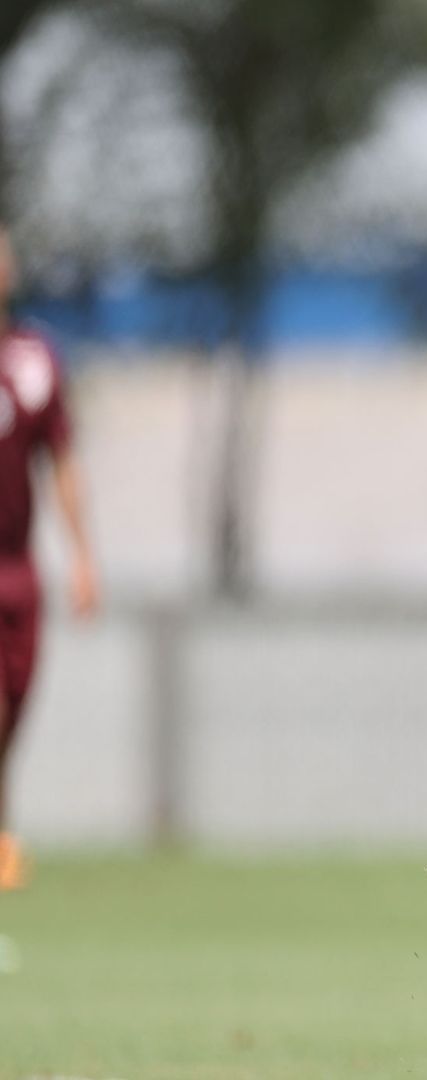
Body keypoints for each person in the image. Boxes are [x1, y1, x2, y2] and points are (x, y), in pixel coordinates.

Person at [0, 223, 99, 892]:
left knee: (12, 709)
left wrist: (83, 556)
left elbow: (60, 460)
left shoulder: (35, 359)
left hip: (19, 571)